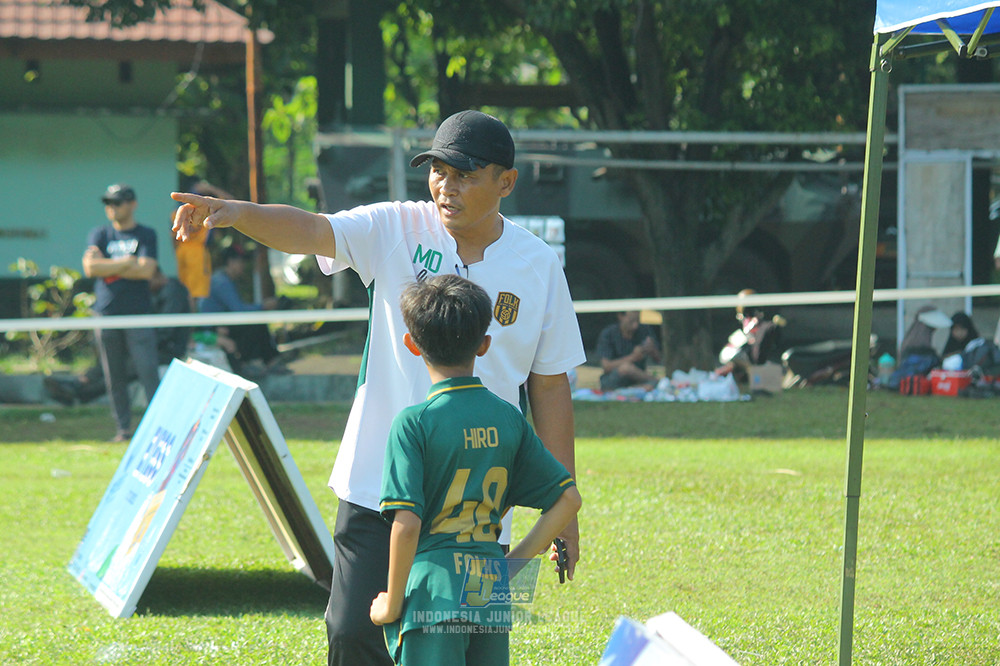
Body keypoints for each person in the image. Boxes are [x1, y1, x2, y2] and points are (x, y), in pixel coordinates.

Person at [171, 109, 586, 666]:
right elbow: (313, 229)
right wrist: (235, 213)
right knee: (352, 636)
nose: (446, 185)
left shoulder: (538, 265)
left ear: (506, 182)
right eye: (438, 170)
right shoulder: (395, 227)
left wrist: (563, 515)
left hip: (476, 508)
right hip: (377, 487)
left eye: (465, 173)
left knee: (460, 653)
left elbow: (550, 385)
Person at [369, 275, 582, 666]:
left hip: (434, 590)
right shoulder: (508, 417)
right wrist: (510, 568)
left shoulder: (413, 423)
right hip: (489, 592)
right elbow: (568, 499)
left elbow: (408, 524)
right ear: (484, 345)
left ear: (412, 345)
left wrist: (391, 602)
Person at [82, 183, 161, 442]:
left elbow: (147, 271)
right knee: (113, 377)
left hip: (138, 315)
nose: (111, 208)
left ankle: (157, 428)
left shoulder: (146, 234)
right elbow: (90, 269)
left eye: (117, 202)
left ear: (132, 204)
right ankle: (123, 430)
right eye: (108, 203)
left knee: (148, 372)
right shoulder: (99, 234)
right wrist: (127, 263)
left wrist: (108, 265)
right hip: (106, 315)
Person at [45, 268, 190, 406]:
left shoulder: (173, 293)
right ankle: (78, 384)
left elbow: (166, 331)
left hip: (167, 350)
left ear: (155, 276)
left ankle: (79, 392)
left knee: (120, 370)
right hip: (153, 345)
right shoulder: (159, 292)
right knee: (111, 362)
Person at [198, 244, 284, 376]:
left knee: (254, 322)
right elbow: (239, 310)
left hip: (220, 325)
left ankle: (266, 362)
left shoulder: (225, 279)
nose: (243, 265)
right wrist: (263, 306)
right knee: (255, 324)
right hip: (211, 329)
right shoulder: (222, 282)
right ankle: (253, 363)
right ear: (231, 262)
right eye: (240, 261)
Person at [596, 311, 661, 391]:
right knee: (626, 368)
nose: (635, 326)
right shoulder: (608, 334)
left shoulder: (644, 330)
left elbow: (658, 360)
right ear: (621, 316)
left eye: (637, 321)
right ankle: (656, 382)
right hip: (613, 379)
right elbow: (606, 366)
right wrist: (633, 357)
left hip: (638, 378)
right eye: (631, 321)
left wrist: (652, 349)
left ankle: (636, 388)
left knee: (646, 385)